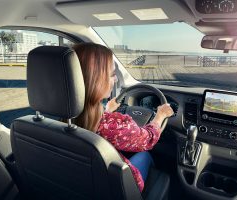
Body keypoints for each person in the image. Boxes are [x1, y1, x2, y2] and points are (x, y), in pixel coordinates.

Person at [72, 43, 174, 192]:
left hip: (84, 184)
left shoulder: (58, 118)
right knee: (145, 155)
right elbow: (148, 139)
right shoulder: (115, 125)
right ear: (95, 79)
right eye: (112, 74)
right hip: (117, 188)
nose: (115, 80)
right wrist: (160, 116)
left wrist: (107, 111)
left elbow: (94, 122)